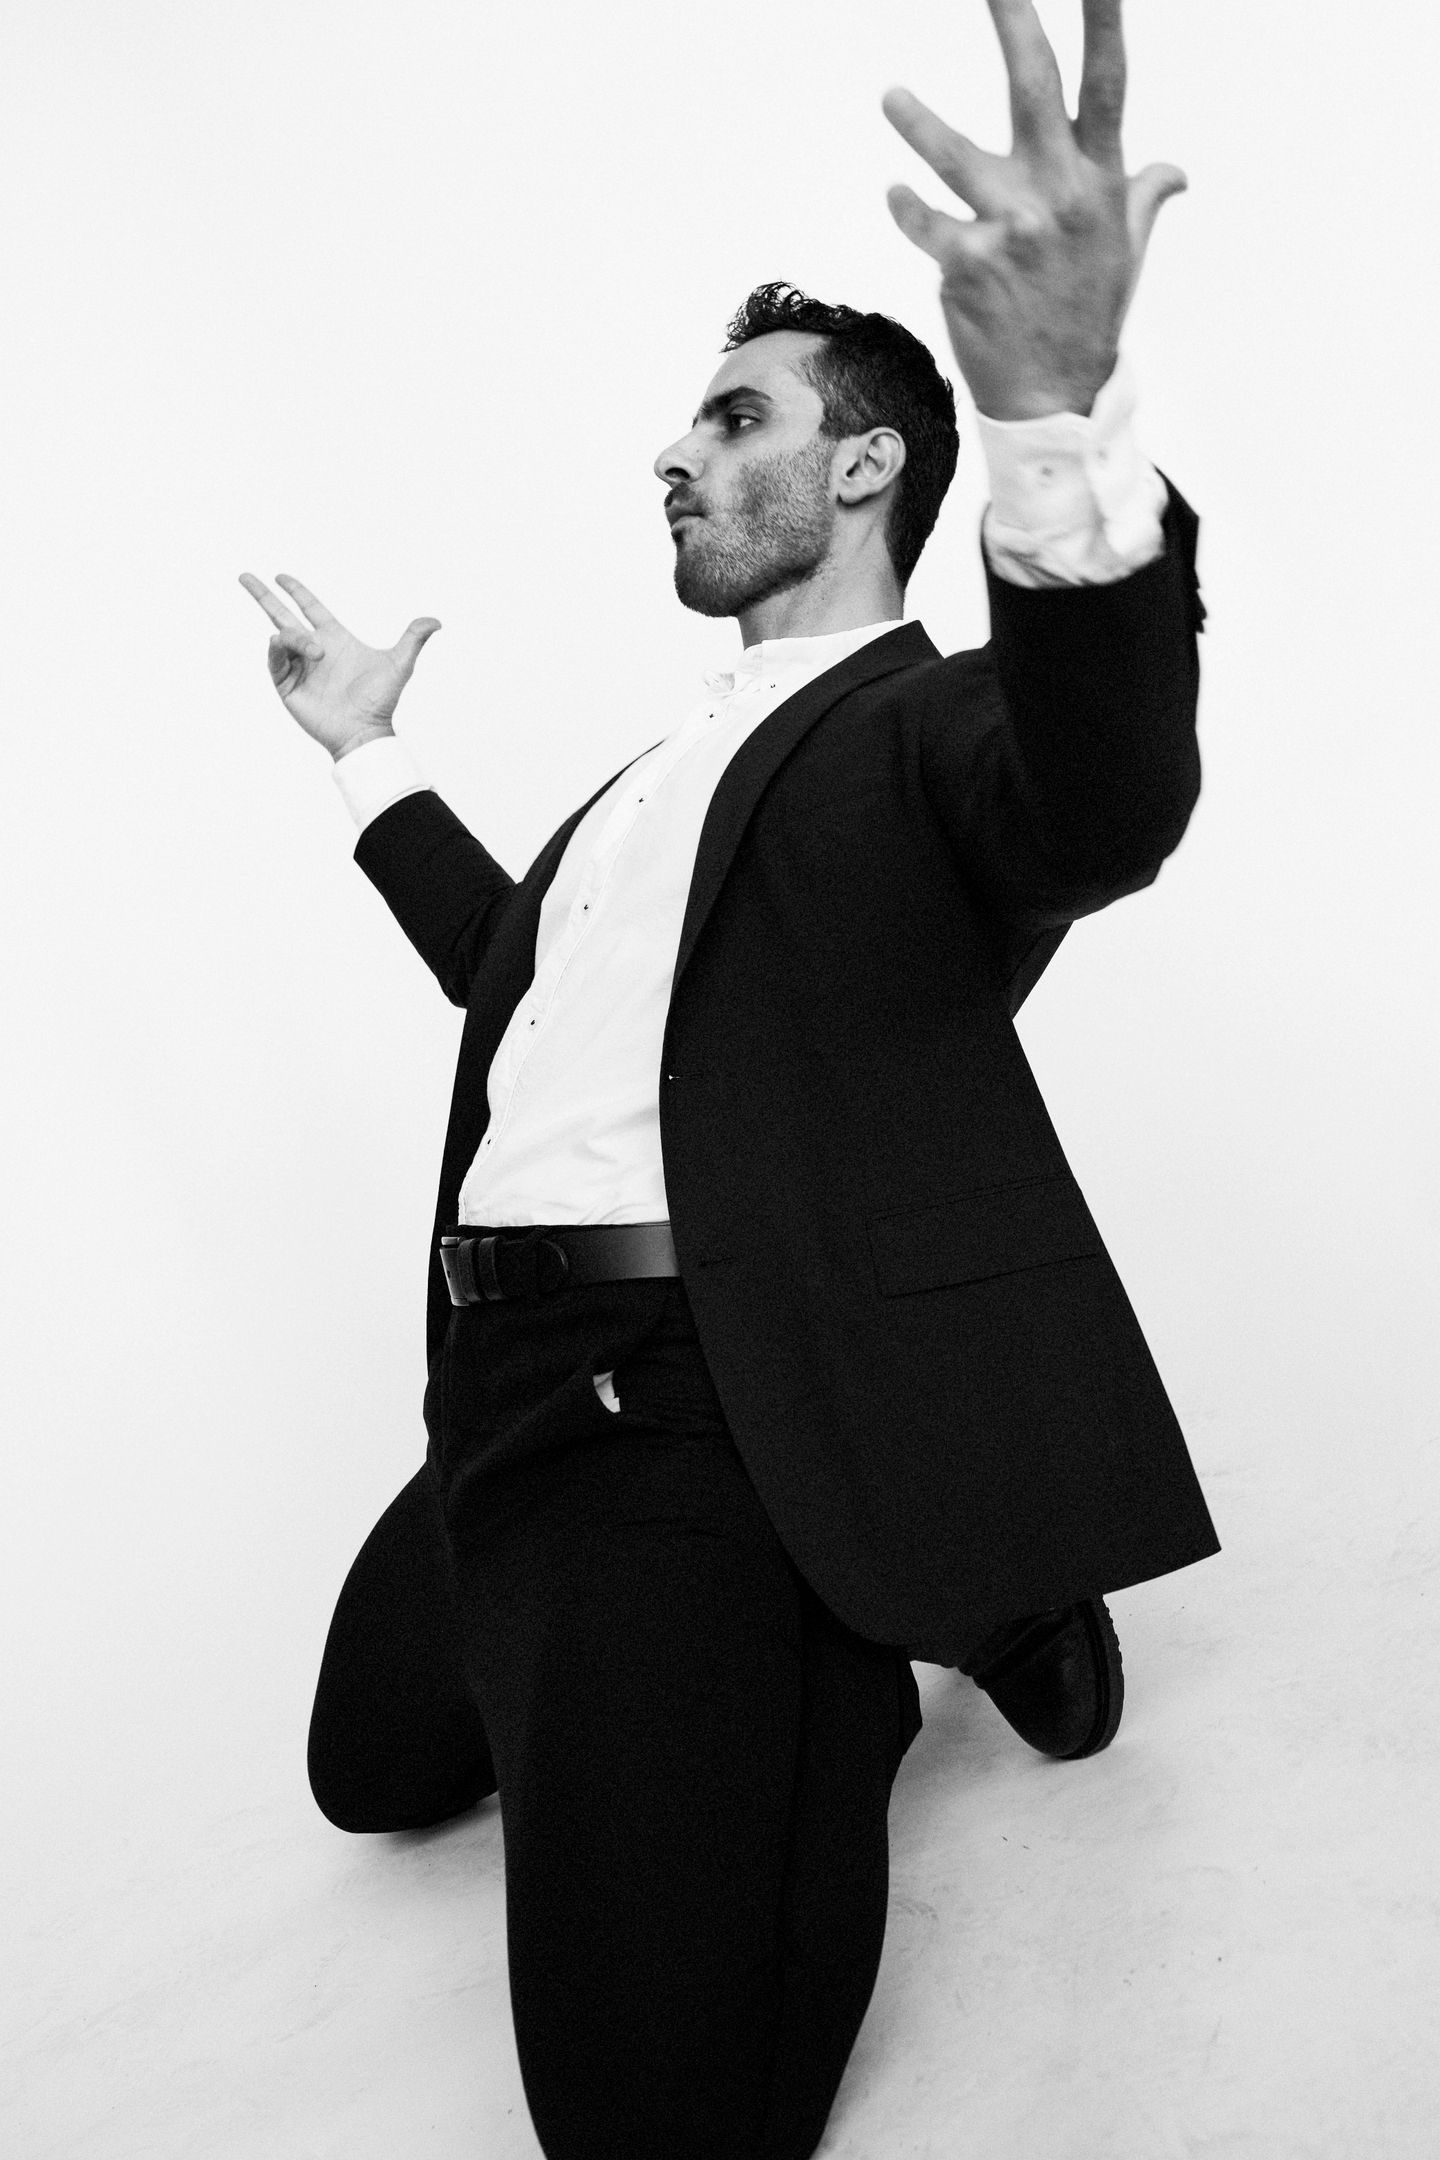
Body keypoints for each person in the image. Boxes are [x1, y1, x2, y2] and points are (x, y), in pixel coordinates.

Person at [240, 3, 1219, 2153]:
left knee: (657, 2116)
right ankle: (932, 1563)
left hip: (711, 1391)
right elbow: (512, 986)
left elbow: (1107, 799)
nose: (674, 456)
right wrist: (367, 759)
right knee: (367, 1770)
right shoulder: (648, 781)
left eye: (733, 414)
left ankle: (887, 1591)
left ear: (863, 466)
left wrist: (1052, 418)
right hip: (508, 1394)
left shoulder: (935, 729)